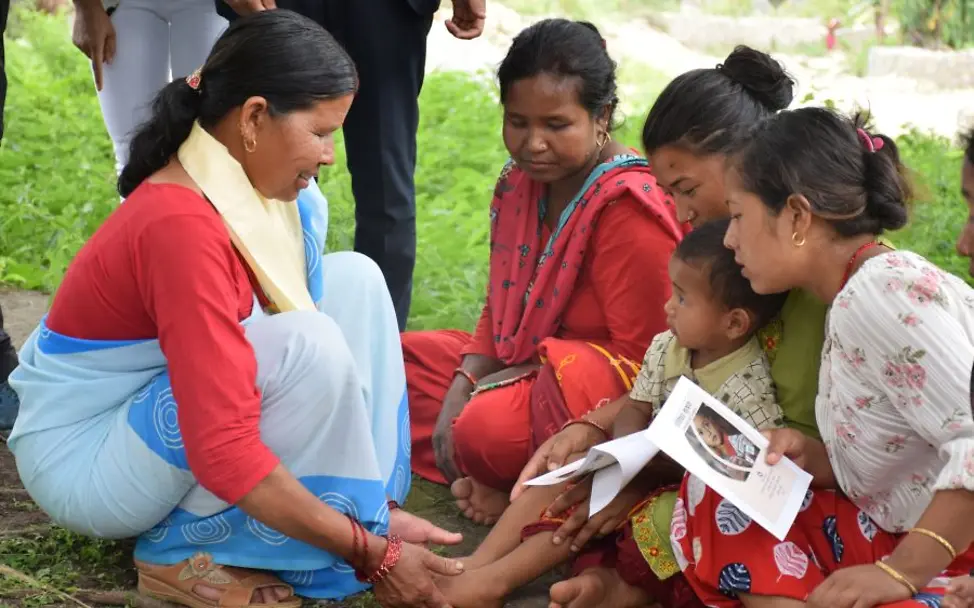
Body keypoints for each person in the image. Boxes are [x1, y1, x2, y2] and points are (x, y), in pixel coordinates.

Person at [7, 12, 464, 608]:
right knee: (307, 343)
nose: (330, 155)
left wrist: (369, 529)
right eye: (320, 133)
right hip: (86, 460)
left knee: (357, 279)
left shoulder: (279, 196)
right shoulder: (179, 226)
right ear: (252, 119)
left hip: (150, 421)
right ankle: (178, 550)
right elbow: (221, 443)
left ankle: (367, 508)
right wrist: (372, 555)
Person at [503, 45, 822, 607]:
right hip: (696, 456)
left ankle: (592, 584)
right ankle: (498, 575)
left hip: (773, 484)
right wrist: (600, 428)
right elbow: (674, 375)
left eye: (687, 189)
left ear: (746, 165)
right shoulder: (730, 259)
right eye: (670, 193)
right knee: (581, 466)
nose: (680, 213)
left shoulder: (793, 275)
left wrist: (649, 474)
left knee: (634, 509)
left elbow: (773, 448)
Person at [677, 107, 974, 608]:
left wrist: (899, 573)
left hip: (947, 550)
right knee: (722, 485)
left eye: (738, 215)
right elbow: (908, 452)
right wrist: (814, 458)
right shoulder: (857, 292)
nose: (729, 238)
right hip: (906, 532)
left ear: (797, 216)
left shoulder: (877, 294)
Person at [403, 18, 687, 524]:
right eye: (518, 122)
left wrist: (496, 388)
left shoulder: (627, 208)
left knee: (484, 429)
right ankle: (492, 472)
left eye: (556, 125)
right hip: (525, 364)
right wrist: (465, 382)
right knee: (396, 365)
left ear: (601, 117)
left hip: (597, 387)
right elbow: (501, 307)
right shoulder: (520, 184)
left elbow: (651, 362)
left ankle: (506, 480)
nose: (533, 143)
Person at [429, 217, 789, 608]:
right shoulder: (668, 347)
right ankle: (476, 564)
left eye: (683, 299)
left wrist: (640, 473)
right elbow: (637, 404)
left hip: (686, 489)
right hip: (644, 463)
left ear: (734, 322)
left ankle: (495, 584)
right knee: (567, 470)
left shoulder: (747, 388)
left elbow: (741, 474)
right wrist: (623, 453)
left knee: (586, 507)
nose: (668, 307)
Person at [216, 0, 487, 332]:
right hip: (282, 5)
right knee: (262, 170)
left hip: (387, 12)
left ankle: (381, 347)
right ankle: (257, 333)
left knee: (387, 190)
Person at [71, 0, 227, 176]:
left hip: (208, 5)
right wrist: (86, 7)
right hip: (123, 4)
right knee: (133, 156)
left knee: (209, 148)